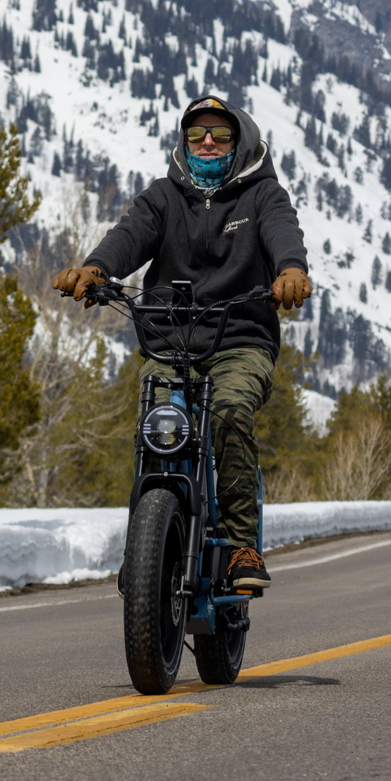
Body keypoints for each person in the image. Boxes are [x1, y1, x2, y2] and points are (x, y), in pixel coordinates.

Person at [52, 95, 312, 588]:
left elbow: (283, 233)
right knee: (159, 427)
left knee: (230, 411)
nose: (207, 142)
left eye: (219, 134)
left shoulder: (263, 196)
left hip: (240, 339)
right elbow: (129, 235)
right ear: (184, 142)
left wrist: (291, 269)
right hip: (168, 343)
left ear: (240, 142)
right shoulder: (163, 197)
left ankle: (241, 548)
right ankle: (146, 549)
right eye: (197, 135)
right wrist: (96, 268)